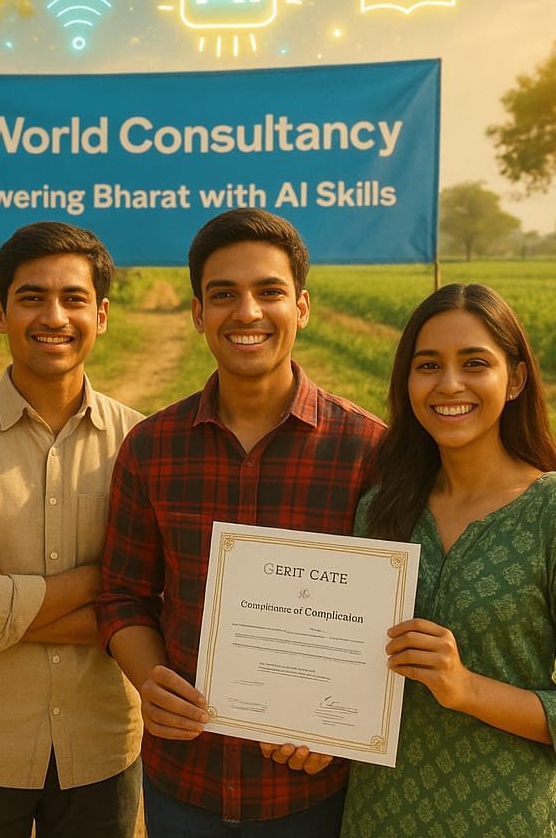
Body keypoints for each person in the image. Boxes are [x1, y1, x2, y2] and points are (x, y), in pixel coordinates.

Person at [97, 208, 386, 836]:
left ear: (302, 307)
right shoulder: (152, 447)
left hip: (315, 789)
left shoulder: (368, 452)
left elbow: (396, 614)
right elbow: (122, 594)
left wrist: (342, 723)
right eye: (224, 294)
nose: (247, 312)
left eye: (269, 292)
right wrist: (150, 680)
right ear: (199, 312)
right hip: (185, 779)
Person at [340, 283, 556, 838]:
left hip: (509, 816)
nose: (449, 385)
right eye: (428, 365)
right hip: (382, 814)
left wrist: (465, 687)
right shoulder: (382, 508)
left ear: (515, 379)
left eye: (475, 363)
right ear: (408, 381)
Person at [0, 221, 143, 838]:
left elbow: (156, 607)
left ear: (102, 314)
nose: (54, 316)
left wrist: (5, 598)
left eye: (73, 299)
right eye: (31, 297)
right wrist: (99, 581)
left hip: (102, 751)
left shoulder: (141, 443)